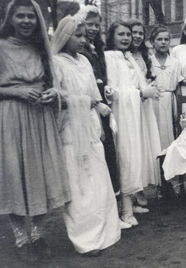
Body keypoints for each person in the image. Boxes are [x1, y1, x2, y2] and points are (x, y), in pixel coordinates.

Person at [0, 0, 70, 260]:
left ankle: (37, 235)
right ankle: (20, 238)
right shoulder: (1, 46)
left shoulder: (42, 48)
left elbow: (55, 85)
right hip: (10, 118)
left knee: (41, 174)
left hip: (39, 119)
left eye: (31, 16)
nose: (27, 21)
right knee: (14, 174)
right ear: (11, 19)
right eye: (21, 16)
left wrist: (54, 93)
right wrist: (15, 91)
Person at [51, 15, 121, 256]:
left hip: (90, 127)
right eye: (77, 35)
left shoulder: (84, 62)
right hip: (70, 130)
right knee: (78, 183)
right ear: (64, 36)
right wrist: (87, 102)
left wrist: (99, 104)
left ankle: (104, 229)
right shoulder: (56, 63)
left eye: (84, 36)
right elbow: (56, 100)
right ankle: (85, 237)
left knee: (98, 178)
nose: (83, 40)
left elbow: (95, 94)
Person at [104, 21, 160, 226]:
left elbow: (137, 84)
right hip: (120, 116)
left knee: (133, 155)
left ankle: (132, 202)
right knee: (124, 157)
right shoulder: (109, 58)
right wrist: (139, 93)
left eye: (128, 34)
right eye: (121, 34)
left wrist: (146, 91)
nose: (126, 38)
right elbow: (112, 91)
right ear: (111, 37)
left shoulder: (129, 57)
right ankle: (124, 211)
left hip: (133, 114)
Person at [79, 6, 120, 195]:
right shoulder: (81, 51)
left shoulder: (98, 50)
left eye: (97, 25)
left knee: (109, 152)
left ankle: (114, 201)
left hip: (103, 103)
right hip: (90, 106)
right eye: (90, 25)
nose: (93, 29)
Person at [127, 19, 161, 206]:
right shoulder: (123, 56)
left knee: (144, 145)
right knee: (132, 145)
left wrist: (151, 85)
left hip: (144, 105)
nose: (137, 36)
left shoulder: (144, 55)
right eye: (134, 32)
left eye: (141, 33)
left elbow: (146, 77)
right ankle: (132, 191)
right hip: (131, 104)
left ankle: (140, 189)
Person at [149, 25, 182, 150]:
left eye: (166, 39)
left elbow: (178, 87)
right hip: (153, 100)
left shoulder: (175, 63)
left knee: (169, 132)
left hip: (169, 101)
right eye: (159, 39)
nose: (163, 42)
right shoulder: (149, 61)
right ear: (153, 42)